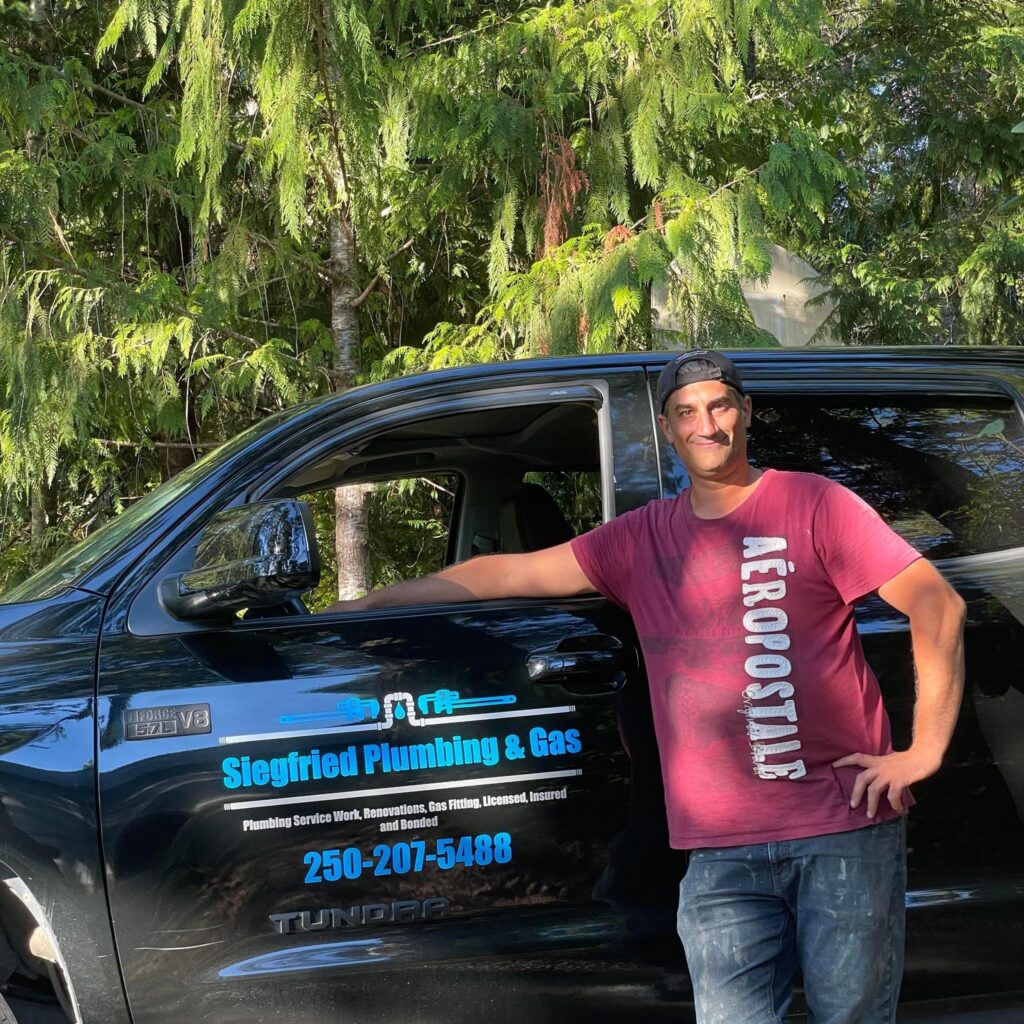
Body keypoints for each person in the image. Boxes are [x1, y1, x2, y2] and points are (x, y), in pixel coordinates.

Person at [325, 350, 966, 1024]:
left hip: (841, 830)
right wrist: (368, 606)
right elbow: (504, 574)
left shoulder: (813, 502)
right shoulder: (643, 539)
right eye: (688, 412)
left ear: (746, 413)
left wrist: (922, 752)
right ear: (667, 427)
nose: (707, 424)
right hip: (722, 852)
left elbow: (938, 604)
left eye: (721, 406)